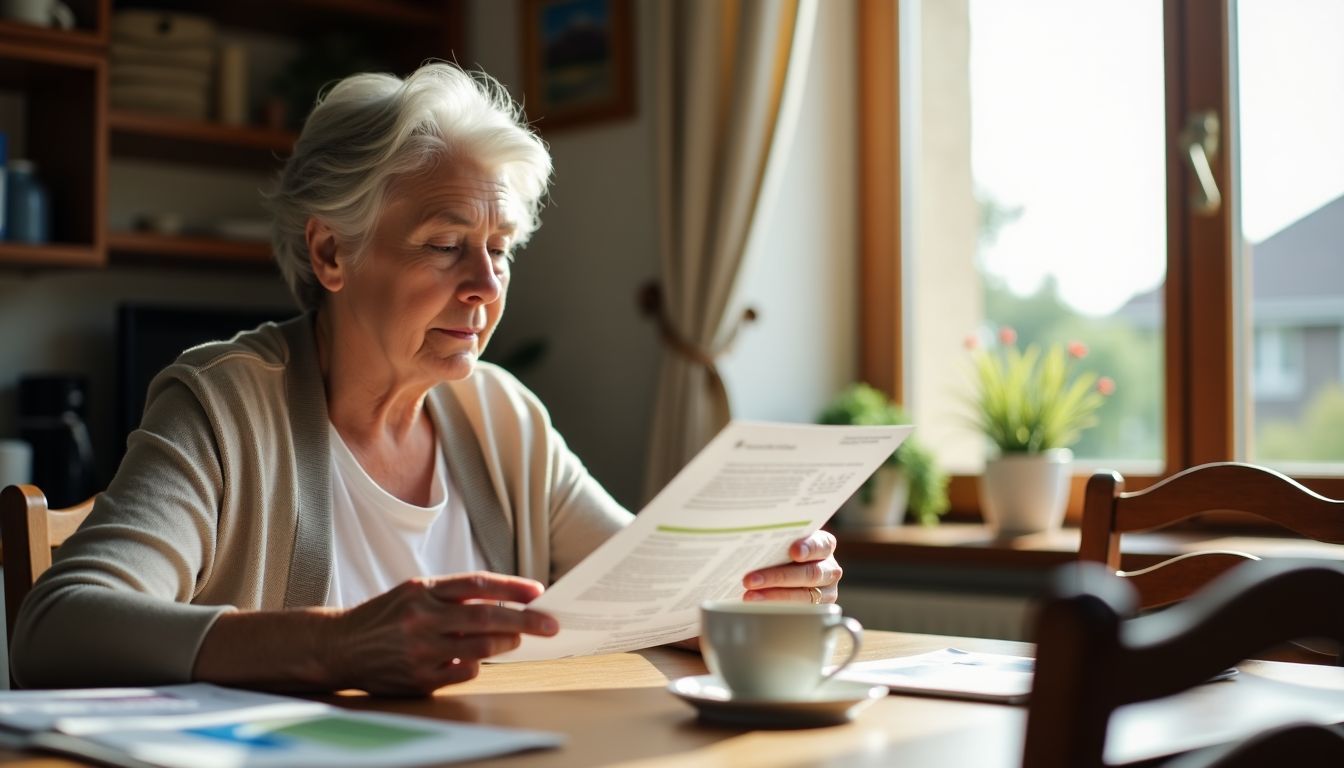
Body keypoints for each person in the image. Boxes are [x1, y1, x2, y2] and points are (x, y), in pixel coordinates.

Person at [9, 63, 843, 695]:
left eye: (501, 249)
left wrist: (757, 591)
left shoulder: (502, 416)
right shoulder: (226, 404)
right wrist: (335, 644)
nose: (486, 285)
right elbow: (53, 630)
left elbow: (649, 589)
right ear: (331, 253)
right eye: (446, 244)